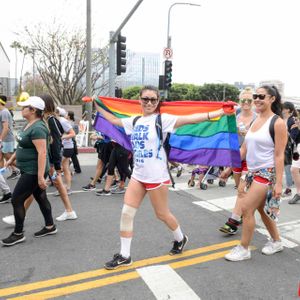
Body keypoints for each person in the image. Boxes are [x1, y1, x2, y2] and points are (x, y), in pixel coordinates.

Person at [95, 85, 231, 270]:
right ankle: (125, 255)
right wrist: (96, 103)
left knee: (162, 214)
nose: (149, 102)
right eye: (145, 99)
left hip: (156, 177)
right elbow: (112, 119)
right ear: (140, 100)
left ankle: (181, 238)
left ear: (158, 101)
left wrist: (219, 113)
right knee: (127, 213)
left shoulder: (162, 120)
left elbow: (190, 119)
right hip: (138, 175)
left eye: (153, 99)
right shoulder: (134, 121)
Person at [225, 85, 287, 261]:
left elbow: (279, 155)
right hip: (252, 171)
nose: (257, 99)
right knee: (261, 209)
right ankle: (276, 241)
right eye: (255, 96)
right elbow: (244, 148)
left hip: (267, 172)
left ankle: (244, 248)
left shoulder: (278, 123)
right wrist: (230, 168)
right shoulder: (255, 120)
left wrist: (279, 183)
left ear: (272, 99)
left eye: (261, 96)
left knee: (246, 208)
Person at [1, 96, 57, 246]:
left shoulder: (38, 127)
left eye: (25, 107)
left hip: (33, 171)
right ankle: (50, 226)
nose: (22, 108)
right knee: (40, 196)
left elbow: (42, 153)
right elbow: (22, 146)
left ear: (33, 110)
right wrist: (13, 158)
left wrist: (40, 177)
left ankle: (18, 233)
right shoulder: (29, 124)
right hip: (28, 169)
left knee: (17, 199)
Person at [219, 87, 256, 234]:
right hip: (236, 156)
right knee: (241, 192)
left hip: (251, 159)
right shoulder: (235, 117)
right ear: (239, 101)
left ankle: (232, 222)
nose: (246, 102)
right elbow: (230, 140)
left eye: (249, 100)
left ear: (253, 102)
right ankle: (241, 215)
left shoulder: (257, 118)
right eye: (243, 100)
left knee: (242, 191)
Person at [281, 102, 300, 204]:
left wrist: (286, 133)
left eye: (283, 108)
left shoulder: (292, 119)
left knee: (289, 168)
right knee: (290, 169)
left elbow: (294, 135)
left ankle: (289, 189)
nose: (281, 109)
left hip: (291, 148)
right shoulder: (285, 119)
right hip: (288, 147)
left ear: (288, 109)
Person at [0, 95, 20, 180]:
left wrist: (0, 139)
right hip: (5, 139)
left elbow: (6, 128)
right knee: (2, 157)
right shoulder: (2, 111)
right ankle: (2, 176)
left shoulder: (4, 112)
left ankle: (23, 170)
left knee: (9, 157)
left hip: (7, 139)